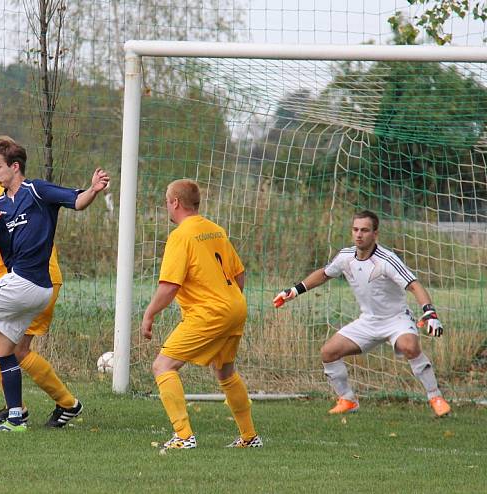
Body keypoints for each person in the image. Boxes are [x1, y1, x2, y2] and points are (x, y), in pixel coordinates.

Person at [0, 138, 109, 431]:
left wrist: (93, 190)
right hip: (31, 288)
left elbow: (76, 201)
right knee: (0, 346)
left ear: (14, 166)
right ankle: (15, 417)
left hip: (28, 282)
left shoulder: (35, 190)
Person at [273, 210, 451, 417]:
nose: (359, 234)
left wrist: (430, 313)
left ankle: (435, 397)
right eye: (356, 229)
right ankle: (347, 400)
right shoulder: (346, 256)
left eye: (365, 230)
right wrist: (293, 291)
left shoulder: (387, 260)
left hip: (397, 320)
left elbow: (414, 285)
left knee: (409, 346)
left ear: (375, 234)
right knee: (328, 352)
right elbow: (324, 274)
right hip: (368, 321)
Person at [141, 179, 262, 450]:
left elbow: (169, 286)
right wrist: (227, 300)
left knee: (163, 366)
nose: (167, 208)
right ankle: (249, 436)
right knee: (225, 372)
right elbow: (239, 275)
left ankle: (184, 436)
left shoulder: (181, 236)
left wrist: (149, 314)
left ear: (175, 203)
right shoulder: (215, 230)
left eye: (166, 202)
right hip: (235, 307)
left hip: (210, 312)